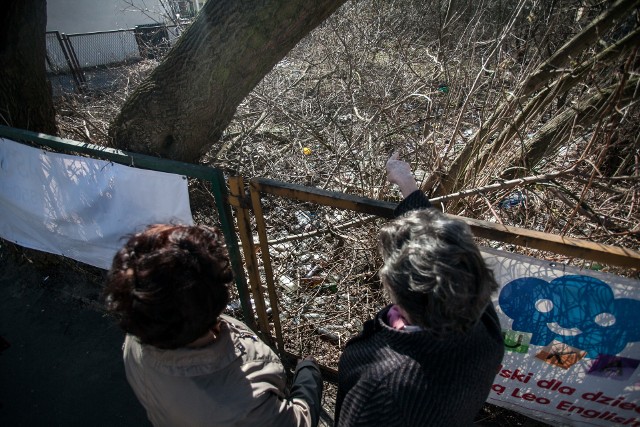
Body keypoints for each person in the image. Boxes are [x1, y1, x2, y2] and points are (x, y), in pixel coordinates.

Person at [334, 153, 505, 426]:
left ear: (399, 294)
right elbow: (445, 254)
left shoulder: (383, 387)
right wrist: (408, 186)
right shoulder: (481, 320)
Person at [103, 224, 323, 427]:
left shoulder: (139, 336)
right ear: (216, 300)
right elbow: (299, 421)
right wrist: (308, 376)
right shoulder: (248, 405)